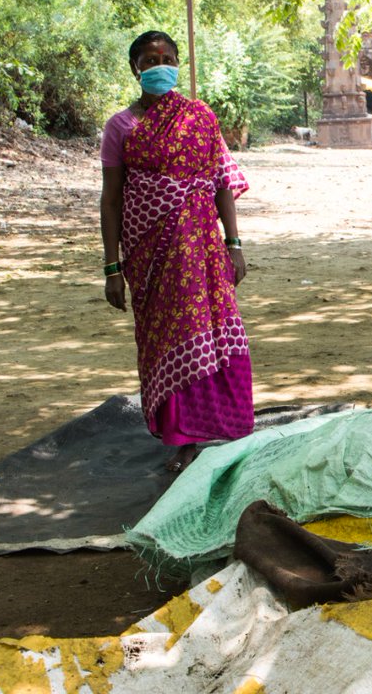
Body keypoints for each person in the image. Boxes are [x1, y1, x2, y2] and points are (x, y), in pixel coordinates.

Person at [99, 30, 254, 474]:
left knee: (218, 331)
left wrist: (234, 244)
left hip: (203, 247)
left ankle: (222, 427)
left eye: (167, 58)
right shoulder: (120, 127)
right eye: (150, 60)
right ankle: (182, 436)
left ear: (178, 63)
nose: (159, 66)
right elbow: (111, 199)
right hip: (150, 254)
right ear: (135, 69)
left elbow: (221, 183)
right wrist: (112, 267)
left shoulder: (201, 117)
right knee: (168, 336)